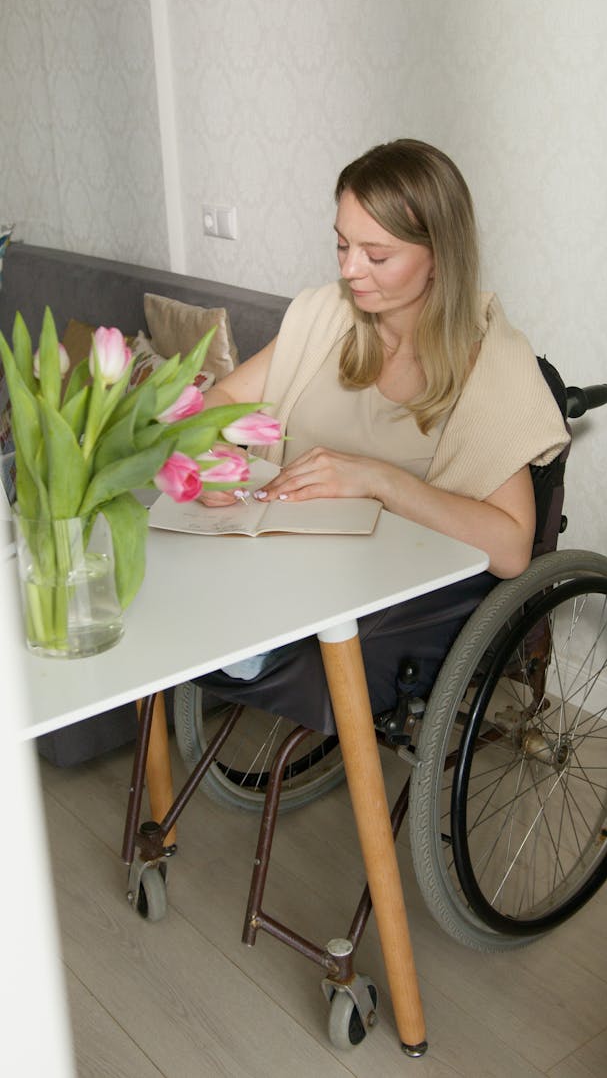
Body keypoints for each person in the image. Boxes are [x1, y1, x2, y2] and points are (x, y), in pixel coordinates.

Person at [196, 139, 569, 733]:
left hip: (383, 595)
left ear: (440, 257)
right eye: (342, 244)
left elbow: (510, 546)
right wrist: (208, 454)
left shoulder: (487, 364)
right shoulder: (326, 317)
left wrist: (377, 480)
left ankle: (247, 638)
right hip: (281, 559)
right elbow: (217, 402)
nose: (348, 270)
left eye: (376, 254)